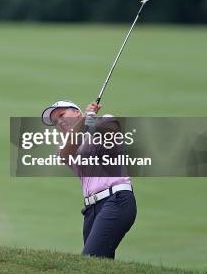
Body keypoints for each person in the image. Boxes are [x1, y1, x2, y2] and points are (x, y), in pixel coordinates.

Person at [41, 100, 137, 259]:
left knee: (90, 258)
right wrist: (84, 121)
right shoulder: (63, 146)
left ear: (77, 112)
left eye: (62, 115)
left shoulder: (106, 120)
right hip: (91, 209)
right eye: (55, 121)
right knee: (100, 265)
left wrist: (90, 124)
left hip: (117, 199)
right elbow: (68, 152)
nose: (59, 122)